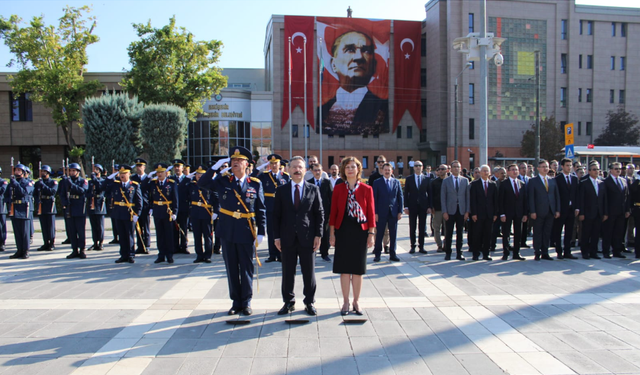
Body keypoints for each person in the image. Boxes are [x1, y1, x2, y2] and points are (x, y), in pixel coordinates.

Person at [198, 146, 266, 316]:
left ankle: (247, 301)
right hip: (227, 231)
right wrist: (213, 168)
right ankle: (236, 302)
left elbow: (261, 209)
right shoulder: (222, 182)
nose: (235, 163)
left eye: (239, 161)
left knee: (246, 267)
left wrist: (261, 232)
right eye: (233, 161)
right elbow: (202, 183)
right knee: (231, 268)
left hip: (246, 230)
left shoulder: (255, 184)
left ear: (246, 164)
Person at [274, 156, 324, 316]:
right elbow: (276, 215)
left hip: (308, 238)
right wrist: (276, 237)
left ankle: (309, 302)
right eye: (294, 167)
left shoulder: (313, 189)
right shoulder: (281, 190)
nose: (297, 170)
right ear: (288, 170)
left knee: (309, 273)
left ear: (305, 170)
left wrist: (318, 234)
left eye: (300, 167)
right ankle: (288, 302)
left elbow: (319, 213)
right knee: (288, 272)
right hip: (287, 238)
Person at [330, 156, 375, 316]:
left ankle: (356, 301)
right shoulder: (338, 188)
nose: (350, 169)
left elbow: (370, 212)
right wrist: (332, 234)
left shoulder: (366, 189)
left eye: (353, 166)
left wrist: (371, 233)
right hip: (343, 231)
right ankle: (345, 302)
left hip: (360, 232)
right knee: (344, 270)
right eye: (347, 167)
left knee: (357, 270)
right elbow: (333, 212)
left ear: (358, 170)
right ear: (343, 170)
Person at [321, 30, 389, 136]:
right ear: (333, 64)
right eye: (350, 49)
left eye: (366, 51)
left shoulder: (383, 109)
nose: (359, 57)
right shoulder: (322, 111)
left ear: (373, 66)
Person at [143, 163, 179, 264]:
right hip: (157, 211)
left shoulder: (171, 183)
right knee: (160, 235)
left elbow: (175, 199)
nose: (159, 174)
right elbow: (143, 188)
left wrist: (175, 211)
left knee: (169, 234)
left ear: (166, 173)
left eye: (161, 172)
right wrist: (148, 177)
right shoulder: (153, 183)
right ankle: (161, 254)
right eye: (158, 172)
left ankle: (169, 255)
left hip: (168, 212)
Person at [106, 165, 143, 264]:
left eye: (124, 173)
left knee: (129, 235)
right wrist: (110, 177)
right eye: (121, 173)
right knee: (121, 235)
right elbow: (105, 188)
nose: (122, 176)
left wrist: (137, 214)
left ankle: (131, 254)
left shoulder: (134, 185)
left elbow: (139, 201)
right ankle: (123, 254)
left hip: (129, 214)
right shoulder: (116, 184)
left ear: (129, 174)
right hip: (118, 213)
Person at [258, 154, 290, 263]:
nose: (274, 165)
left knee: (282, 231)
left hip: (282, 207)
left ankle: (281, 254)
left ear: (279, 164)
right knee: (271, 231)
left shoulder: (285, 176)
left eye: (276, 163)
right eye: (271, 163)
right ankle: (272, 254)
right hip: (269, 206)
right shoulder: (264, 176)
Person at [528, 160, 560, 261]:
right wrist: (532, 211)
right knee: (537, 232)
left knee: (547, 232)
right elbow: (531, 197)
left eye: (546, 166)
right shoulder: (533, 181)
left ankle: (545, 252)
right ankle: (537, 252)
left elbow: (556, 196)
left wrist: (557, 210)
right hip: (538, 211)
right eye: (542, 167)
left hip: (550, 211)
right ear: (538, 168)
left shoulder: (552, 180)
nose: (545, 168)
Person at [184, 165, 217, 264]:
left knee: (207, 235)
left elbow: (216, 198)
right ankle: (199, 255)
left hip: (206, 213)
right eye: (198, 174)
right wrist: (187, 178)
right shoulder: (191, 185)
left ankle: (207, 255)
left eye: (202, 174)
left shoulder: (210, 185)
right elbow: (181, 190)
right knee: (197, 236)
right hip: (195, 213)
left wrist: (216, 211)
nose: (199, 176)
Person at [373, 162, 403, 262]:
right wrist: (375, 213)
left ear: (392, 171)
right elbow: (374, 199)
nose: (387, 172)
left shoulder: (396, 182)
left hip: (393, 212)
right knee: (379, 234)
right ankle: (377, 254)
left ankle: (393, 254)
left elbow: (400, 197)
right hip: (381, 213)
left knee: (393, 234)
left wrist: (400, 211)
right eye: (385, 170)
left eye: (388, 170)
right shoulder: (377, 182)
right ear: (382, 171)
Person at [577, 161, 608, 259]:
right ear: (589, 171)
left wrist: (605, 212)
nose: (596, 171)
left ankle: (593, 252)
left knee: (596, 234)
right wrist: (581, 213)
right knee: (586, 233)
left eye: (598, 169)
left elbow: (604, 199)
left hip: (598, 213)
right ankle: (585, 252)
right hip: (587, 213)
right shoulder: (584, 183)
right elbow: (581, 199)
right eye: (594, 169)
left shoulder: (601, 183)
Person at [441, 160, 470, 261]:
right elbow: (443, 197)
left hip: (461, 211)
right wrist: (444, 211)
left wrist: (467, 211)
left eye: (458, 167)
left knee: (460, 233)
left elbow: (467, 197)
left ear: (460, 168)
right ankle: (448, 253)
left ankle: (459, 253)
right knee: (448, 233)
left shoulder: (465, 180)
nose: (456, 168)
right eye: (454, 167)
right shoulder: (446, 181)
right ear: (451, 169)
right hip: (450, 211)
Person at [59, 163, 89, 260]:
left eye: (73, 171)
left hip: (80, 208)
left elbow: (82, 191)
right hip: (70, 208)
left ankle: (82, 250)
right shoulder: (65, 181)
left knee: (80, 231)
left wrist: (71, 184)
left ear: (78, 172)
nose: (71, 173)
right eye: (70, 171)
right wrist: (64, 203)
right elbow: (62, 193)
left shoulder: (83, 181)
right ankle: (74, 250)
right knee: (72, 231)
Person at [469, 165, 498, 261]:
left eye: (487, 171)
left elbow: (495, 200)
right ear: (480, 172)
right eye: (484, 171)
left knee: (488, 234)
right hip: (478, 214)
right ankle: (475, 254)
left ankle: (486, 253)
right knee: (477, 234)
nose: (486, 172)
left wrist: (495, 214)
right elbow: (473, 200)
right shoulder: (475, 184)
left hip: (489, 214)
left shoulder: (493, 184)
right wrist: (473, 213)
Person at [498, 164, 528, 260]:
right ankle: (506, 253)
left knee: (518, 233)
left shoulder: (522, 184)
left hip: (519, 212)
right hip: (507, 213)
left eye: (516, 170)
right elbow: (500, 200)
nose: (515, 171)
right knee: (506, 233)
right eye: (512, 170)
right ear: (508, 172)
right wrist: (502, 213)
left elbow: (524, 200)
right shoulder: (504, 184)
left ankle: (516, 253)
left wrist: (525, 213)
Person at [5, 164, 34, 259]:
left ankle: (26, 250)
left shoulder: (27, 183)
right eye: (16, 170)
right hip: (15, 209)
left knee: (25, 232)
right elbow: (6, 195)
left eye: (19, 170)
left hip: (24, 209)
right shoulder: (12, 183)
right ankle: (19, 250)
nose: (17, 171)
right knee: (17, 232)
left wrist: (15, 184)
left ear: (23, 172)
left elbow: (23, 193)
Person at [602, 162, 630, 258]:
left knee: (619, 232)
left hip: (621, 211)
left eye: (619, 168)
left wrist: (627, 210)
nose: (618, 170)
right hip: (610, 212)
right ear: (611, 170)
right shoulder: (606, 182)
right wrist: (605, 212)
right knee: (608, 232)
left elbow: (626, 196)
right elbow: (604, 198)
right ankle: (606, 251)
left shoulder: (623, 180)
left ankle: (617, 251)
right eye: (616, 168)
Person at [553, 158, 579, 260]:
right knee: (558, 231)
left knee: (569, 231)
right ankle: (559, 251)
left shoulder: (574, 178)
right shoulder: (557, 179)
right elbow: (556, 195)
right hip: (561, 209)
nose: (569, 167)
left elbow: (577, 194)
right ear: (562, 166)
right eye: (567, 165)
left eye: (570, 165)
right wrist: (557, 210)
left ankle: (567, 251)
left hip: (571, 209)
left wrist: (577, 207)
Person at [403, 160, 431, 254]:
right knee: (412, 226)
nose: (418, 167)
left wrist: (429, 206)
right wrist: (406, 206)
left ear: (422, 167)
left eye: (420, 165)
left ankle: (421, 246)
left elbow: (429, 193)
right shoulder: (409, 179)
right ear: (413, 167)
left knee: (422, 227)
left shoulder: (426, 179)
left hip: (423, 206)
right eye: (416, 166)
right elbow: (406, 193)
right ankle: (413, 246)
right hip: (412, 206)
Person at [307, 163, 333, 262]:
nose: (317, 172)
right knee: (312, 233)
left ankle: (324, 253)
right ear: (312, 171)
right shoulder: (308, 182)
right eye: (315, 170)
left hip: (325, 213)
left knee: (324, 233)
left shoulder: (327, 182)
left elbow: (331, 197)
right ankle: (312, 253)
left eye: (319, 170)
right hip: (312, 213)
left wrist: (331, 212)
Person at [34, 165, 58, 251]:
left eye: (44, 172)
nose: (42, 173)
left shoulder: (53, 182)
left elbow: (52, 192)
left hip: (50, 206)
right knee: (43, 226)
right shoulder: (37, 183)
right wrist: (37, 201)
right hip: (42, 205)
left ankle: (51, 243)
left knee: (50, 226)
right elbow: (35, 194)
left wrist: (43, 185)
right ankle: (45, 243)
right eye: (42, 172)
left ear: (48, 172)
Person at [131, 158, 151, 255]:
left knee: (146, 227)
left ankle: (146, 246)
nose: (138, 168)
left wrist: (151, 207)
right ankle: (140, 246)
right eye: (137, 166)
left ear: (144, 167)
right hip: (136, 207)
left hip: (146, 206)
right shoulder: (133, 178)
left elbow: (151, 194)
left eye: (140, 166)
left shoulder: (148, 179)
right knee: (138, 227)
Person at [171, 159, 190, 255]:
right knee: (174, 228)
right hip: (174, 208)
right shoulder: (171, 179)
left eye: (179, 167)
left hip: (184, 207)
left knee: (184, 227)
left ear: (183, 168)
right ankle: (175, 246)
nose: (177, 168)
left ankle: (184, 246)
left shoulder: (187, 180)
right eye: (175, 167)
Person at [87, 164, 107, 251]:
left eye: (97, 169)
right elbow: (86, 192)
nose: (95, 171)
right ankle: (95, 242)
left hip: (99, 205)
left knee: (100, 226)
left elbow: (100, 187)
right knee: (94, 226)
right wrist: (90, 195)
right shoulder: (90, 182)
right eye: (94, 169)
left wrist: (94, 179)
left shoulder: (103, 180)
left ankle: (101, 242)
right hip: (92, 204)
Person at [431, 164, 447, 252]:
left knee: (448, 228)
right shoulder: (434, 182)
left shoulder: (449, 181)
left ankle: (446, 244)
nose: (440, 170)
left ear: (447, 170)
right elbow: (431, 195)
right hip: (437, 209)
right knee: (436, 228)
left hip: (448, 209)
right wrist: (431, 206)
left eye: (442, 169)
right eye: (439, 169)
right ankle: (439, 245)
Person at [517, 162, 531, 249]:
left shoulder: (530, 179)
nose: (524, 169)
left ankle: (523, 241)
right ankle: (517, 241)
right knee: (518, 225)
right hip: (518, 205)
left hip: (527, 204)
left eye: (525, 168)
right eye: (522, 168)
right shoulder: (516, 179)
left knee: (526, 224)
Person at [106, 164, 120, 245]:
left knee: (118, 221)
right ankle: (115, 237)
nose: (116, 172)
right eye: (115, 170)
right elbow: (107, 189)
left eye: (117, 170)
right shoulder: (111, 179)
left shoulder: (120, 179)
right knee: (113, 221)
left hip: (118, 203)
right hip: (112, 203)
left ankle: (120, 236)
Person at [0, 167, 6, 252]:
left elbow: (2, 190)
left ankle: (2, 242)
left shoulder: (3, 182)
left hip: (0, 207)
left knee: (1, 226)